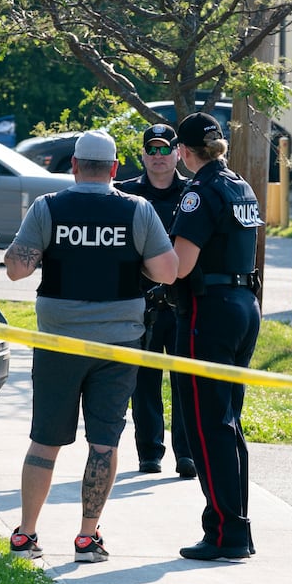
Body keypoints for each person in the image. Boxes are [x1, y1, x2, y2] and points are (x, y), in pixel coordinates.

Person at [3, 129, 178, 563]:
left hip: (58, 343)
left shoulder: (48, 208)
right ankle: (87, 538)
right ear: (116, 169)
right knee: (104, 441)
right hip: (118, 346)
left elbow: (15, 271)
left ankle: (27, 535)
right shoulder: (137, 210)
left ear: (74, 166)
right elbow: (168, 271)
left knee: (45, 440)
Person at [168, 111, 264, 561]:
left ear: (184, 152)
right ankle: (232, 526)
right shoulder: (239, 185)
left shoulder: (199, 193)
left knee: (207, 427)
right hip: (245, 305)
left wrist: (146, 267)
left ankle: (227, 533)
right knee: (227, 422)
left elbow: (180, 266)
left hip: (211, 311)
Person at [116, 123, 196, 479]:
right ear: (143, 154)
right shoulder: (126, 195)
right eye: (153, 150)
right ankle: (149, 453)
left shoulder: (194, 193)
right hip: (142, 304)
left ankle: (187, 455)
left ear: (179, 153)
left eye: (166, 149)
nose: (159, 156)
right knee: (143, 384)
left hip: (183, 304)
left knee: (185, 383)